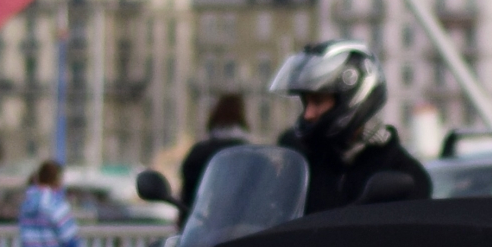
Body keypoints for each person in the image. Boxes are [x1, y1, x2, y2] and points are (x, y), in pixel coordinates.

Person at [270, 40, 433, 214]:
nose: (308, 114)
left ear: (351, 98)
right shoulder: (303, 165)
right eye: (306, 102)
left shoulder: (404, 173)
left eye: (317, 101)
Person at [177, 93, 252, 223]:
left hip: (202, 226)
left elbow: (187, 197)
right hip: (241, 226)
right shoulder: (251, 154)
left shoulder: (200, 152)